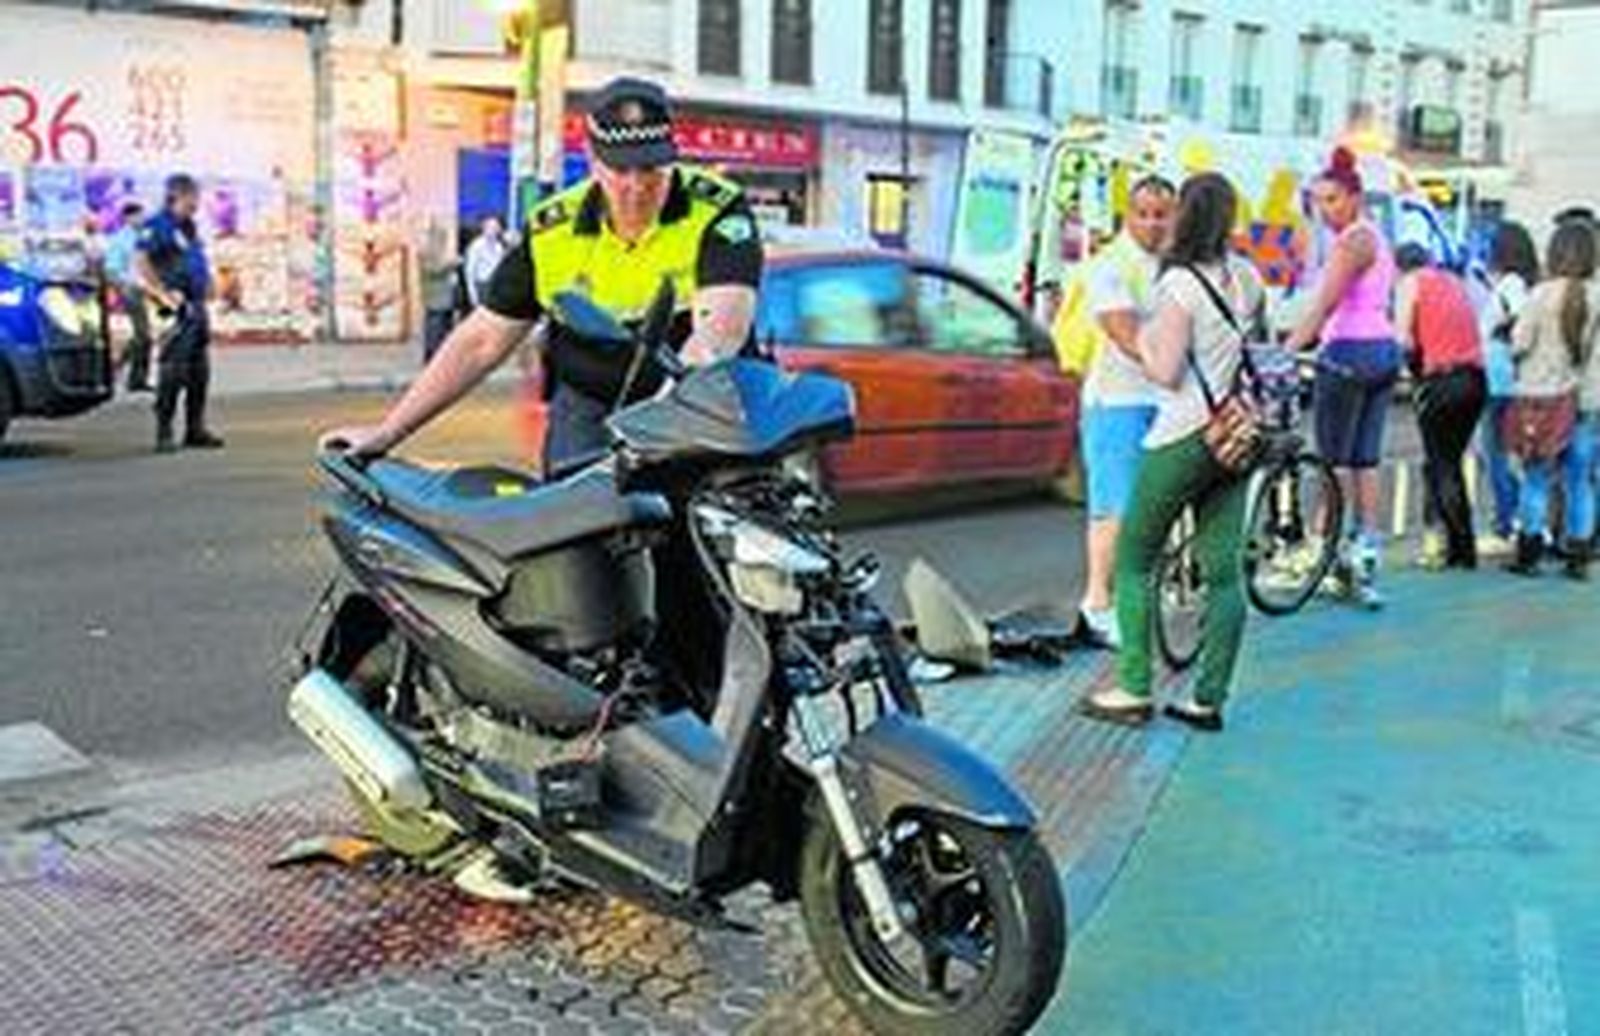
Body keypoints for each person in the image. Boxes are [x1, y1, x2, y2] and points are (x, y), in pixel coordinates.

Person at [321, 75, 763, 472]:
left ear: (673, 154)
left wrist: (660, 426)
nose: (636, 185)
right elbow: (480, 342)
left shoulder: (717, 207)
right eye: (619, 168)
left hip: (706, 401)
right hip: (594, 404)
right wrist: (388, 432)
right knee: (573, 540)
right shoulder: (554, 227)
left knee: (713, 541)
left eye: (650, 168)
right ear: (591, 157)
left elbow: (719, 333)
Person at [1078, 173, 1267, 733]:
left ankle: (1134, 687)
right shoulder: (1248, 278)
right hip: (1235, 435)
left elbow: (1164, 370)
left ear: (1187, 216)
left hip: (1184, 433)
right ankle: (1208, 700)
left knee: (1135, 558)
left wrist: (1143, 342)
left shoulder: (1179, 284)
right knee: (1225, 571)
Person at [1284, 147, 1400, 609]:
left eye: (1331, 199)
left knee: (1332, 462)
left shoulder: (1352, 242)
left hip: (1347, 351)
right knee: (1365, 460)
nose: (1323, 210)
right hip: (1382, 350)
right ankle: (1365, 553)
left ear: (1355, 197)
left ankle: (1326, 552)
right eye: (1317, 202)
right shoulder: (1378, 237)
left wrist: (1287, 350)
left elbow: (1324, 304)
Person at [1069, 174, 1176, 649]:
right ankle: (1096, 605)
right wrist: (1167, 366)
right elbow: (1122, 330)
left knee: (1152, 508)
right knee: (1114, 509)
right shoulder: (1108, 266)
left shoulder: (1173, 266)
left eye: (1162, 214)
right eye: (1144, 214)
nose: (1153, 223)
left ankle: (1139, 596)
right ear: (1127, 217)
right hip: (1116, 402)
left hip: (1161, 401)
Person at [1504, 222, 1600, 578]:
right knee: (1581, 480)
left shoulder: (1541, 295)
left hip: (1543, 399)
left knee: (1536, 478)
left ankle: (1529, 553)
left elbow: (1520, 342)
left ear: (1555, 253)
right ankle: (1578, 557)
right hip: (1587, 401)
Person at [1393, 244, 1486, 569]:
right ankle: (1454, 544)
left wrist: (1402, 367)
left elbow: (1402, 338)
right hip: (1475, 381)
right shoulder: (1453, 281)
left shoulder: (1410, 283)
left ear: (1399, 268)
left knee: (1441, 465)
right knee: (1450, 462)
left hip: (1442, 383)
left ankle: (1460, 549)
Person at [136, 174, 222, 453]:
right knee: (173, 371)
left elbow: (195, 258)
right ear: (176, 196)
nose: (196, 203)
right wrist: (162, 294)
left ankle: (195, 429)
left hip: (197, 307)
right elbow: (142, 261)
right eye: (192, 198)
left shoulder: (189, 227)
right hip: (175, 309)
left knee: (200, 372)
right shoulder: (157, 226)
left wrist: (208, 282)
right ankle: (164, 431)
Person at [1476, 222, 1539, 556]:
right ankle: (1515, 519)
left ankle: (1506, 522)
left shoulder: (1512, 283)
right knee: (1502, 455)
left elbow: (1520, 318)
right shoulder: (1523, 282)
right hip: (1508, 379)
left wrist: (1501, 332)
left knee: (1495, 455)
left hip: (1499, 380)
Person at [105, 202, 154, 392]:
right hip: (131, 290)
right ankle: (135, 378)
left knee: (146, 334)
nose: (142, 219)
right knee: (144, 335)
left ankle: (119, 368)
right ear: (128, 218)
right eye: (139, 216)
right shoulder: (119, 240)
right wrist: (123, 287)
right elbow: (112, 270)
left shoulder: (143, 238)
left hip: (148, 291)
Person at [418, 220, 460, 362]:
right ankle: (432, 355)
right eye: (442, 236)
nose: (444, 239)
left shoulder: (437, 251)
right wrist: (451, 265)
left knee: (442, 327)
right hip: (435, 297)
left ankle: (438, 354)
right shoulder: (426, 251)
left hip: (442, 296)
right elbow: (433, 270)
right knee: (435, 328)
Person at [462, 216, 506, 309]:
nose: (492, 231)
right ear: (483, 228)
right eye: (489, 227)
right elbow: (469, 271)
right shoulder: (476, 246)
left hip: (495, 285)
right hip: (482, 285)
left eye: (495, 228)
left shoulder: (499, 247)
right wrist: (472, 294)